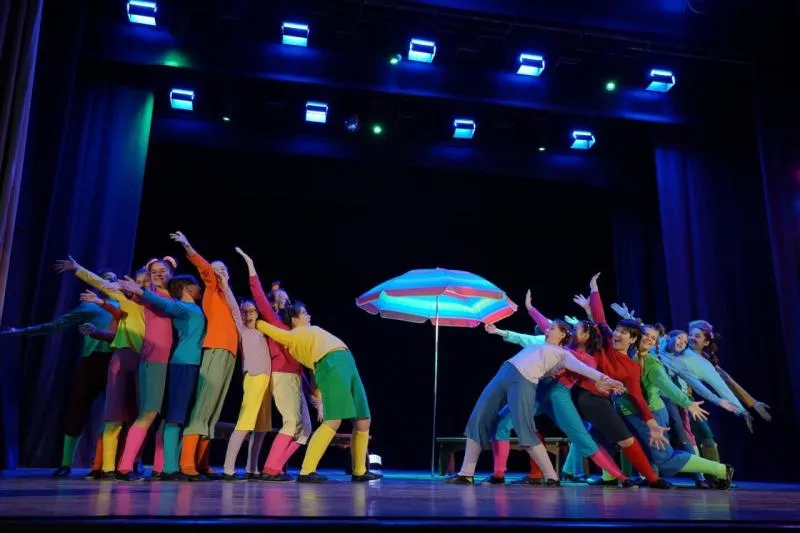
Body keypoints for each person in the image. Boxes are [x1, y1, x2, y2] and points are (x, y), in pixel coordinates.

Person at [446, 319, 625, 485]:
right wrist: (499, 331)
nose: (547, 330)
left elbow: (586, 370)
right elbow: (522, 337)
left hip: (525, 382)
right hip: (504, 372)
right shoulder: (540, 342)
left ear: (563, 334)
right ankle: (466, 473)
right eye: (549, 328)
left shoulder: (564, 355)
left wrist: (608, 380)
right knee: (478, 418)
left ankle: (551, 476)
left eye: (552, 328)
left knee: (525, 428)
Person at [252, 297, 380, 483]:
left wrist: (318, 398)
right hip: (331, 365)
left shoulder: (309, 332)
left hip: (347, 364)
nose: (309, 316)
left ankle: (359, 470)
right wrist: (258, 322)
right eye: (304, 313)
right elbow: (276, 332)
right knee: (333, 421)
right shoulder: (294, 335)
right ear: (294, 319)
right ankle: (307, 470)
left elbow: (313, 378)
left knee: (363, 420)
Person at [171, 231, 239, 480]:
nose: (218, 272)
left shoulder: (228, 297)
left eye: (223, 270)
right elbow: (205, 270)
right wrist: (188, 247)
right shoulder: (212, 289)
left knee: (215, 408)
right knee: (203, 406)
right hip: (216, 348)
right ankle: (186, 462)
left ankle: (202, 462)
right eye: (216, 269)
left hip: (229, 353)